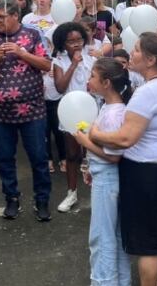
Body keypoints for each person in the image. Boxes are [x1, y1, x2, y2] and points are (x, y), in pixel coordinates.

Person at [89, 33, 157, 286]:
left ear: (151, 59)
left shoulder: (148, 93)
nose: (130, 54)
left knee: (150, 243)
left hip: (149, 175)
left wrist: (94, 134)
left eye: (135, 50)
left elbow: (124, 139)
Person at [0, 0, 53, 221]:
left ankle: (42, 200)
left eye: (1, 17)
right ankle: (11, 199)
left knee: (38, 156)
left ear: (15, 16)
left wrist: (22, 53)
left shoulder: (33, 34)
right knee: (6, 158)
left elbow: (47, 65)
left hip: (32, 109)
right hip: (0, 112)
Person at [73, 58, 133, 286]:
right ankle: (120, 280)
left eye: (92, 77)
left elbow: (113, 155)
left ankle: (104, 281)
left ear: (106, 83)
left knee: (101, 236)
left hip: (108, 179)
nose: (89, 81)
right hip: (106, 177)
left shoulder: (114, 114)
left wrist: (84, 141)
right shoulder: (110, 107)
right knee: (114, 235)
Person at [52, 22, 97, 213]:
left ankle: (98, 193)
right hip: (70, 112)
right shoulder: (59, 62)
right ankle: (71, 193)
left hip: (91, 111)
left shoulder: (92, 59)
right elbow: (60, 87)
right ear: (63, 44)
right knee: (72, 155)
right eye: (71, 41)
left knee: (95, 154)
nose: (76, 44)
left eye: (79, 39)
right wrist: (73, 64)